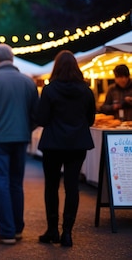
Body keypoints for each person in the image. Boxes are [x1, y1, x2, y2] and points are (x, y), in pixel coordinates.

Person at [0, 43, 38, 245]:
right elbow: (36, 114)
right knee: (15, 183)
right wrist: (26, 130)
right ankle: (17, 228)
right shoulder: (28, 82)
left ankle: (7, 231)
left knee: (0, 182)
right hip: (20, 139)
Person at [36, 50, 95, 247]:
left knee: (51, 187)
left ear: (57, 67)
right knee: (72, 188)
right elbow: (90, 120)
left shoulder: (50, 90)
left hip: (53, 143)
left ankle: (52, 229)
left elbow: (42, 119)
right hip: (77, 144)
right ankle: (67, 232)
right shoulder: (86, 91)